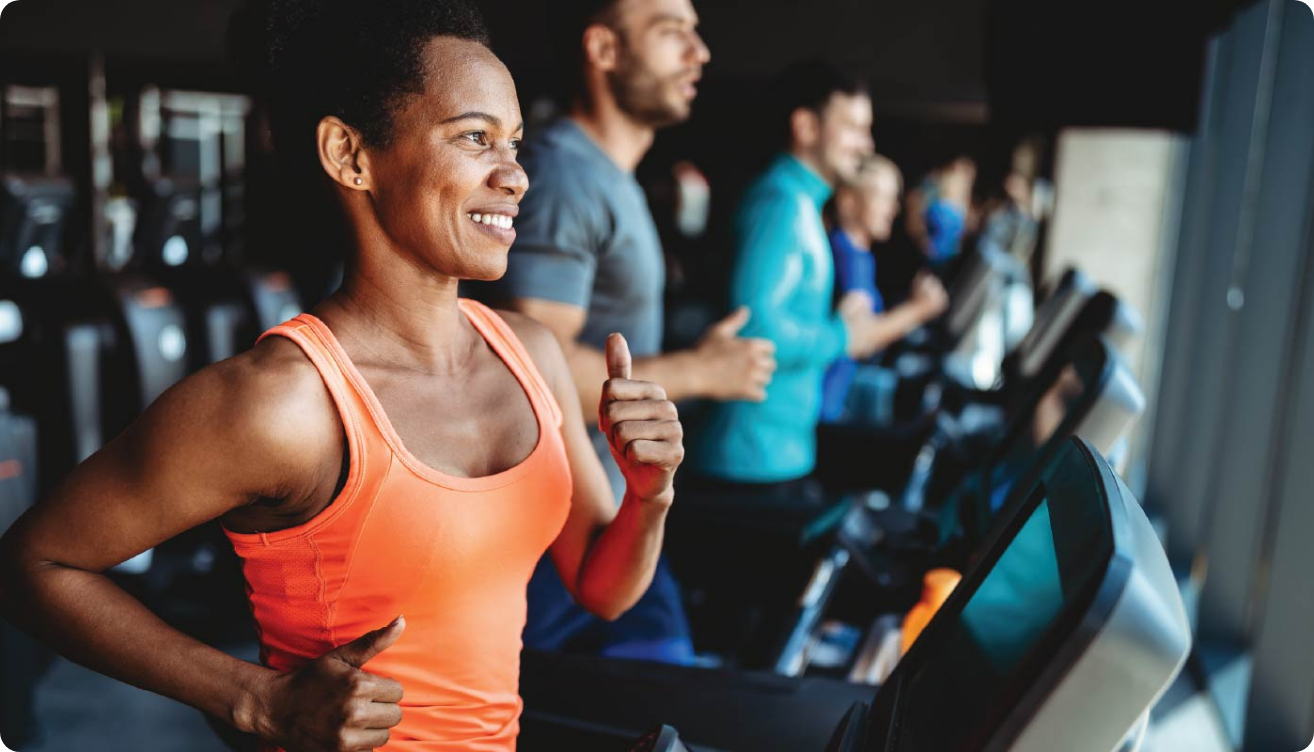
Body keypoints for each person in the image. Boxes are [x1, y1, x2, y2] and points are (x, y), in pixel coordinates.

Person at [0, 2, 685, 750]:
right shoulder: (283, 402)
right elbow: (36, 563)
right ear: (349, 155)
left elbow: (601, 586)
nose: (515, 175)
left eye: (515, 143)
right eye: (474, 138)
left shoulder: (529, 354)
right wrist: (254, 699)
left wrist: (649, 494)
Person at [479, 0, 773, 664]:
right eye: (672, 33)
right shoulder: (566, 175)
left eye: (697, 34)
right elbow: (535, 375)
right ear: (605, 51)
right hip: (563, 540)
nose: (699, 52)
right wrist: (703, 372)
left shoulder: (609, 176)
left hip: (615, 515)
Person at [687, 58, 922, 491]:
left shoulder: (802, 203)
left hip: (774, 452)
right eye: (852, 127)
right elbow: (755, 327)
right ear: (806, 127)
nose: (865, 144)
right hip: (751, 457)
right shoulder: (780, 203)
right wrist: (842, 335)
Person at [820, 154, 948, 426]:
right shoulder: (845, 256)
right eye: (882, 198)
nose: (893, 209)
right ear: (849, 202)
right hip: (824, 408)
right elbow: (861, 340)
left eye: (894, 199)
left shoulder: (860, 255)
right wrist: (920, 308)